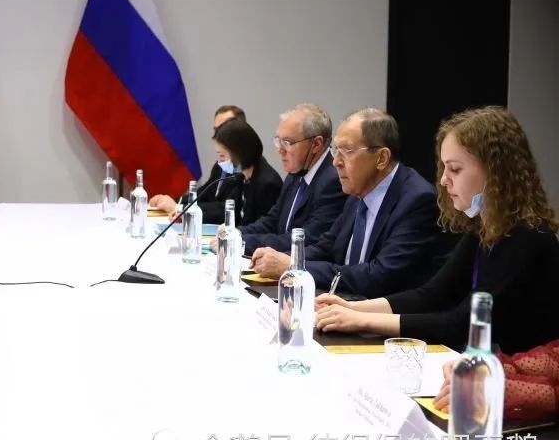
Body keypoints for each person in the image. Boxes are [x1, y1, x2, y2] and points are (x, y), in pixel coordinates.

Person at [315, 107, 559, 353]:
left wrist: (361, 320)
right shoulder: (484, 227)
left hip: (520, 367)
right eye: (444, 168)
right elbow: (433, 295)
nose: (443, 180)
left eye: (455, 169)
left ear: (495, 171)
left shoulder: (527, 236)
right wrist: (352, 308)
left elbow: (461, 323)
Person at [251, 108, 448, 298]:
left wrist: (295, 267)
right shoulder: (358, 189)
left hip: (379, 313)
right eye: (336, 150)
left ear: (381, 158)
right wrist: (287, 259)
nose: (336, 161)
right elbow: (327, 247)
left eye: (346, 151)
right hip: (341, 303)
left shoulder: (417, 201)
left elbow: (378, 276)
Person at [239, 104, 347, 254]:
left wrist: (242, 242)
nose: (280, 149)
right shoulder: (296, 172)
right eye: (278, 141)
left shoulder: (333, 182)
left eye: (287, 142)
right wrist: (236, 233)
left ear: (316, 144)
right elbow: (272, 221)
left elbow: (306, 239)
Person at [149, 104, 245, 215]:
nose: (217, 136)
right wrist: (173, 201)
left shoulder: (244, 167)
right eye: (216, 130)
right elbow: (204, 194)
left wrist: (179, 208)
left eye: (223, 130)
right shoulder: (220, 166)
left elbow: (226, 209)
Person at [202, 118, 282, 226]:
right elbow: (230, 211)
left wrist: (237, 232)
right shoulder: (243, 176)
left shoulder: (267, 184)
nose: (219, 162)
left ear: (239, 152)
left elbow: (264, 228)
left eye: (222, 155)